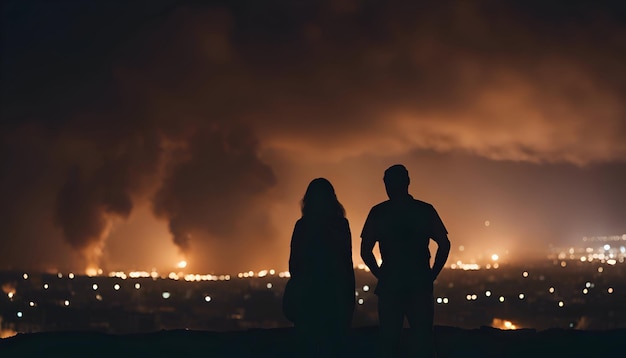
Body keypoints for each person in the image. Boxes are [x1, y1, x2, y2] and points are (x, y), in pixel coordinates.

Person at [360, 164, 450, 358]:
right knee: (424, 342)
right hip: (419, 285)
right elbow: (444, 244)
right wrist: (432, 274)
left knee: (389, 343)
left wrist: (381, 274)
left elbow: (365, 251)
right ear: (407, 182)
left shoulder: (379, 212)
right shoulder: (424, 210)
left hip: (391, 286)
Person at [284, 178, 355, 357]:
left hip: (308, 300)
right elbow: (346, 263)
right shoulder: (340, 225)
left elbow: (294, 264)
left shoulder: (302, 226)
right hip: (334, 298)